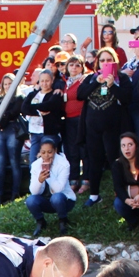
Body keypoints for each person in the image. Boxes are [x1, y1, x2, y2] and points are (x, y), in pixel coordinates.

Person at [77, 47, 132, 208]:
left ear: (115, 61)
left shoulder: (122, 78)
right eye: (102, 60)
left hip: (114, 128)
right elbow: (80, 95)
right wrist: (97, 82)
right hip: (92, 128)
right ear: (97, 63)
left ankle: (118, 193)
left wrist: (112, 85)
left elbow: (127, 98)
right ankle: (94, 195)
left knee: (115, 160)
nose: (106, 63)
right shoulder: (91, 78)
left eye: (109, 60)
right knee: (94, 160)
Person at [25, 137, 75, 236]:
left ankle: (63, 220)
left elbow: (59, 189)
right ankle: (41, 222)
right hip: (45, 201)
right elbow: (33, 192)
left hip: (64, 201)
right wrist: (39, 180)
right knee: (30, 200)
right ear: (39, 152)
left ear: (55, 151)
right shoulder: (35, 165)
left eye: (49, 152)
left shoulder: (63, 164)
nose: (46, 155)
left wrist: (48, 174)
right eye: (43, 152)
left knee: (57, 197)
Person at [0, 73, 23, 205]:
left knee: (14, 163)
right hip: (0, 133)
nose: (7, 86)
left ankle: (15, 194)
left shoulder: (19, 98)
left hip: (12, 131)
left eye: (10, 84)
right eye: (5, 84)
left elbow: (11, 113)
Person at [20, 69, 65, 162]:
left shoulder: (55, 94)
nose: (44, 83)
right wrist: (38, 112)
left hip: (49, 133)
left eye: (47, 81)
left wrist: (32, 108)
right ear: (39, 82)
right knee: (33, 160)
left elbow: (49, 105)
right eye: (42, 81)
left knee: (47, 160)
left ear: (52, 81)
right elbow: (24, 108)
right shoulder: (32, 94)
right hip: (34, 133)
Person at [112, 132, 139, 230]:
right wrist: (127, 200)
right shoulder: (117, 164)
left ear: (136, 146)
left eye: (130, 145)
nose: (126, 148)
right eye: (123, 145)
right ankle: (132, 221)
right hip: (130, 199)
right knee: (118, 203)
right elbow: (117, 187)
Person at [62, 56, 88, 193]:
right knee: (72, 151)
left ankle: (86, 180)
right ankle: (74, 179)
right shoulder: (65, 83)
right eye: (71, 65)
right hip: (68, 120)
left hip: (81, 119)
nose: (74, 68)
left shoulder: (84, 80)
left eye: (77, 65)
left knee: (83, 150)